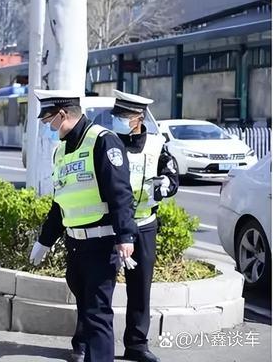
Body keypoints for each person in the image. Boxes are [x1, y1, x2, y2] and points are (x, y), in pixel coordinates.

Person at [29, 89, 138, 362]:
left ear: (63, 115)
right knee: (86, 310)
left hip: (101, 244)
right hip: (75, 244)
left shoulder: (103, 142)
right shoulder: (62, 151)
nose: (48, 128)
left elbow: (120, 193)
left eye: (49, 121)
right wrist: (45, 240)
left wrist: (126, 237)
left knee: (97, 314)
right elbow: (61, 202)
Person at [111, 90, 178, 362]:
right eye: (117, 115)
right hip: (111, 224)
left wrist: (166, 185)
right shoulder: (107, 142)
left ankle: (137, 344)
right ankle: (84, 341)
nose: (118, 120)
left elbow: (172, 175)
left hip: (145, 223)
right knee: (97, 286)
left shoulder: (156, 144)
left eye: (124, 116)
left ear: (138, 118)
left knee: (140, 288)